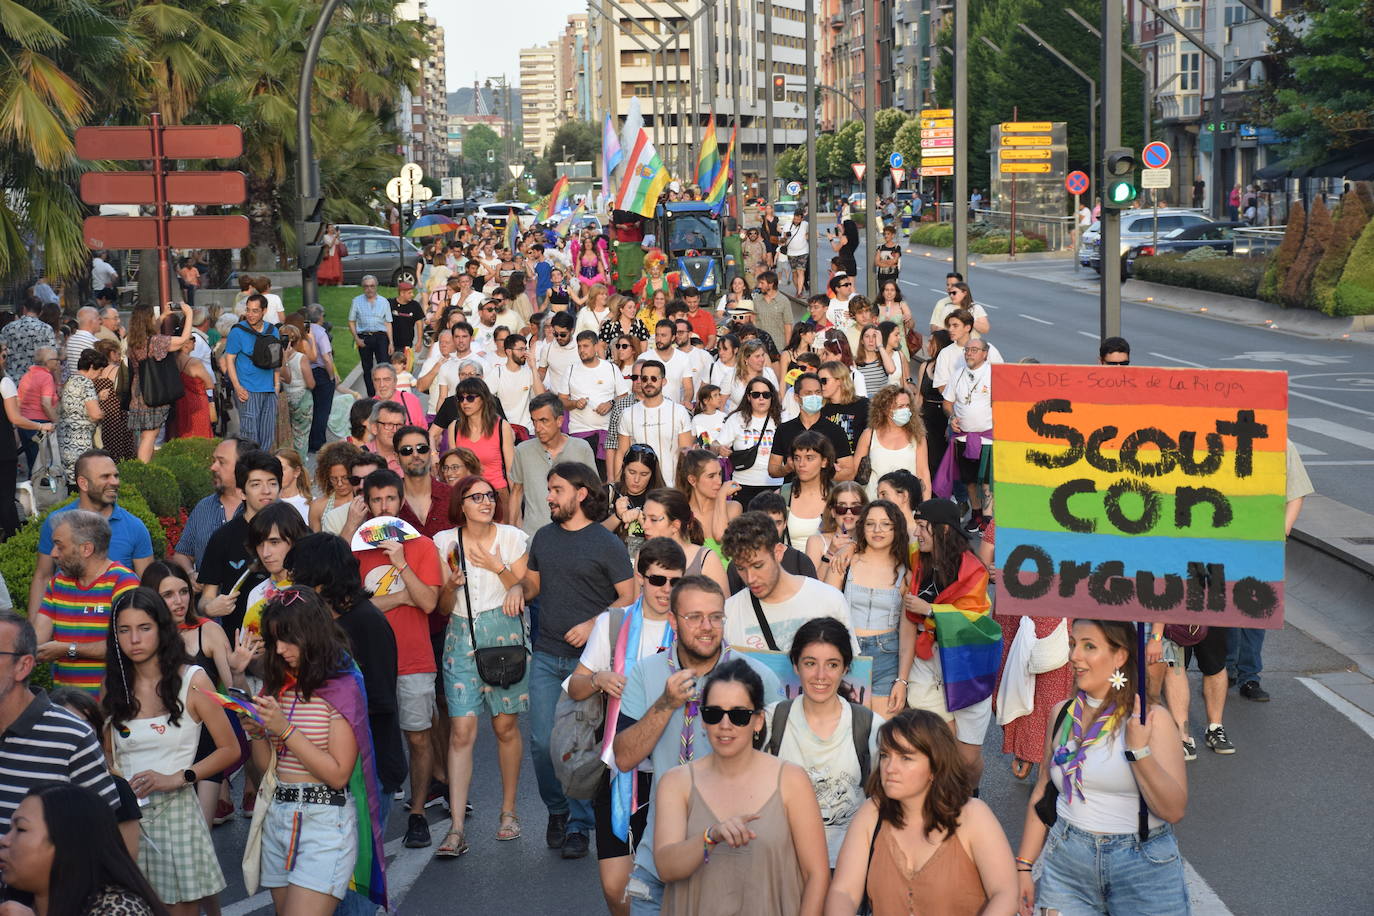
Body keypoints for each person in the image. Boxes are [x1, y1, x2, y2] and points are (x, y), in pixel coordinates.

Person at [612, 577, 785, 914]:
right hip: (660, 860)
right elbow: (624, 757)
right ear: (673, 621)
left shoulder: (758, 677)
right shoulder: (648, 673)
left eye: (716, 617)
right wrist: (665, 703)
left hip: (734, 862)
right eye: (694, 617)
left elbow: (778, 766)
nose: (707, 627)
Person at [1016, 619, 1189, 916]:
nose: (1074, 656)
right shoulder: (1062, 713)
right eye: (1073, 644)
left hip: (1142, 866)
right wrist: (1024, 866)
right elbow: (1042, 792)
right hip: (1067, 862)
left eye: (1089, 647)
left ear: (1120, 656)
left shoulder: (1152, 720)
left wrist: (1138, 751)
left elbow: (1174, 810)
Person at [514, 461, 635, 860]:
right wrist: (519, 586)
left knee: (580, 747)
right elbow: (534, 581)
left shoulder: (605, 543)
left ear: (581, 494)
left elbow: (628, 596)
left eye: (556, 490)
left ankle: (580, 825)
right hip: (548, 655)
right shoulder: (544, 537)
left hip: (590, 664)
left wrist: (592, 624)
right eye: (549, 490)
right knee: (542, 743)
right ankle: (558, 810)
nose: (549, 496)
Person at [562, 537, 684, 915]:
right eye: (658, 580)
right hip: (618, 770)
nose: (666, 590)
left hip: (674, 770)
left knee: (670, 884)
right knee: (616, 888)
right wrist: (599, 678)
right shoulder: (613, 623)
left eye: (675, 581)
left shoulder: (691, 627)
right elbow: (575, 687)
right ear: (640, 577)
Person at [248, 587, 387, 915]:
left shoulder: (342, 685)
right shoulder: (277, 683)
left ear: (312, 633)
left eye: (288, 639)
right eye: (274, 640)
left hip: (324, 823)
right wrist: (256, 733)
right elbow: (267, 767)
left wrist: (283, 729)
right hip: (278, 816)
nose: (280, 649)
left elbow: (338, 774)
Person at [652, 658, 829, 915]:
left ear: (758, 721)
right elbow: (666, 868)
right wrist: (710, 837)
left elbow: (816, 874)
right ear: (702, 720)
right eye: (714, 714)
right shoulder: (676, 782)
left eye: (738, 715)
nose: (725, 725)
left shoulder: (792, 780)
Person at [105, 586, 238, 915]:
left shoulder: (193, 680)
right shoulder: (111, 685)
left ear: (162, 630)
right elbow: (108, 759)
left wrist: (179, 777)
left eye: (144, 628)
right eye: (124, 630)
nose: (134, 639)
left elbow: (230, 749)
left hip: (175, 816)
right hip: (125, 821)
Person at [826, 709, 1018, 916]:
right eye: (884, 755)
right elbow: (843, 892)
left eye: (906, 758)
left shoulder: (974, 816)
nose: (890, 768)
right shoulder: (872, 813)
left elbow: (1005, 894)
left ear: (935, 767)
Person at [432, 474, 531, 858]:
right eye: (477, 497)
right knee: (461, 730)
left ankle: (508, 812)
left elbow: (527, 588)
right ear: (462, 504)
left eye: (489, 496)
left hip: (504, 633)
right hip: (460, 634)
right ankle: (456, 828)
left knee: (505, 726)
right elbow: (441, 609)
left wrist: (496, 566)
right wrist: (450, 587)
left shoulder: (510, 538)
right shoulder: (445, 543)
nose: (486, 502)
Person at [354, 469, 443, 849]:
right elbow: (347, 605)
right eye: (377, 500)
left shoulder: (422, 546)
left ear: (400, 501)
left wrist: (401, 563)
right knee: (365, 742)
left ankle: (418, 811)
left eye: (390, 499)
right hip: (367, 663)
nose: (384, 506)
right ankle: (371, 815)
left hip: (414, 659)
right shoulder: (356, 550)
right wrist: (399, 597)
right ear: (368, 503)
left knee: (419, 739)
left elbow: (427, 602)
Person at [286, 533, 406, 811]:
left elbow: (380, 700)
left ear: (320, 581)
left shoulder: (367, 624)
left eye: (298, 579)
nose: (294, 587)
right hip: (331, 767)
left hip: (368, 769)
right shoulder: (321, 622)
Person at [894, 499, 999, 789]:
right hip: (927, 661)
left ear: (942, 531)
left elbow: (974, 624)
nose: (917, 533)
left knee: (966, 760)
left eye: (924, 527)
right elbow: (880, 546)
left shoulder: (973, 571)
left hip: (967, 665)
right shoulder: (917, 558)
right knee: (941, 751)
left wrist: (930, 610)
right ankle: (945, 810)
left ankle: (971, 796)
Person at [764, 617, 884, 865]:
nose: (821, 675)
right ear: (796, 666)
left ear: (846, 668)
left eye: (832, 664)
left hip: (847, 867)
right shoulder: (771, 719)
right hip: (783, 866)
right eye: (810, 663)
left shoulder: (871, 727)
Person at [0, 784, 168, 916]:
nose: (5, 841)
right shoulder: (20, 902)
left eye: (21, 829)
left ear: (68, 841)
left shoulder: (120, 908)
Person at [33, 509, 141, 696]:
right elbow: (37, 638)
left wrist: (69, 649)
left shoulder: (123, 582)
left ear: (86, 549)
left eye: (60, 546)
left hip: (113, 706)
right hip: (66, 706)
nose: (53, 553)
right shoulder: (58, 583)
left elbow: (127, 644)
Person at [721, 512, 855, 656]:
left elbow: (854, 670)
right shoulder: (729, 612)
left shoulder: (830, 600)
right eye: (740, 568)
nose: (750, 578)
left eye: (758, 565)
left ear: (778, 552)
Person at [508, 393, 596, 536]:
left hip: (574, 536)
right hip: (533, 537)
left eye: (544, 421)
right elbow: (517, 492)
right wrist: (513, 533)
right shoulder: (522, 451)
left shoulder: (581, 449)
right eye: (534, 421)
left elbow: (592, 494)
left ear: (560, 421)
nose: (537, 428)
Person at [942, 337, 994, 530]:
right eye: (967, 350)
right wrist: (951, 417)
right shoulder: (958, 374)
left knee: (987, 481)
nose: (969, 353)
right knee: (969, 480)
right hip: (963, 436)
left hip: (987, 438)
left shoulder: (992, 374)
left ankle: (988, 520)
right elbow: (947, 403)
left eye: (974, 349)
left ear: (985, 353)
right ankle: (977, 514)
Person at [641, 487, 731, 597]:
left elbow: (723, 607)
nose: (645, 526)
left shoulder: (706, 559)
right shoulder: (643, 555)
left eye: (653, 519)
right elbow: (636, 607)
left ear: (675, 526)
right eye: (644, 518)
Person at [618, 361, 694, 488]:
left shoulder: (679, 412)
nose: (649, 383)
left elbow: (685, 453)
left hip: (672, 487)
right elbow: (622, 454)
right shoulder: (627, 413)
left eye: (654, 378)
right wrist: (618, 487)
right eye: (644, 378)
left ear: (663, 381)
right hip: (639, 489)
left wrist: (684, 487)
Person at [225, 294, 282, 450]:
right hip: (247, 390)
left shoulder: (272, 330)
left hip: (269, 390)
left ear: (264, 311)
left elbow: (276, 360)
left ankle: (262, 468)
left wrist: (276, 385)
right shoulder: (238, 331)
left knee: (267, 436)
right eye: (248, 310)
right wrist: (237, 387)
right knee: (250, 436)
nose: (250, 314)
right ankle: (249, 469)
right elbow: (229, 360)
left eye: (255, 311)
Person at [716, 375, 783, 509]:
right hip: (743, 485)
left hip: (775, 485)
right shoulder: (736, 418)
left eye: (766, 394)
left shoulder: (783, 419)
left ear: (772, 397)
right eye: (756, 394)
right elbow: (716, 444)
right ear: (748, 397)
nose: (761, 398)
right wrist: (719, 449)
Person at [855, 385, 930, 502]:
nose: (906, 410)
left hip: (907, 505)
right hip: (873, 504)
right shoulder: (869, 435)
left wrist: (925, 509)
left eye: (908, 406)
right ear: (885, 409)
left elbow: (923, 474)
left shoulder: (917, 437)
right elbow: (854, 471)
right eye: (900, 406)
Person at [603, 443, 664, 559]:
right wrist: (617, 516)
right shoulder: (608, 493)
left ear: (653, 474)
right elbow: (592, 537)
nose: (636, 480)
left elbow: (668, 543)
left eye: (644, 474)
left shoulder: (662, 499)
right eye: (631, 472)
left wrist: (644, 522)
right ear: (623, 468)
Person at [778, 430, 836, 548]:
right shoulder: (782, 495)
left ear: (824, 461)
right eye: (797, 458)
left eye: (809, 458)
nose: (801, 464)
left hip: (828, 564)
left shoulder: (839, 496)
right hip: (788, 564)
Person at [349, 276, 394, 398]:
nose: (369, 289)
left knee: (384, 365)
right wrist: (357, 339)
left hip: (381, 336)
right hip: (364, 337)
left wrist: (391, 342)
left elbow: (388, 322)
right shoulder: (356, 301)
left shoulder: (384, 301)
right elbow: (351, 321)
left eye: (372, 286)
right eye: (366, 286)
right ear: (363, 287)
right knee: (367, 367)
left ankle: (387, 393)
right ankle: (372, 396)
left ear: (376, 286)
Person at [0, 297, 56, 386]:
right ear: (41, 312)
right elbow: (52, 357)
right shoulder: (47, 329)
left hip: (13, 380)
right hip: (38, 381)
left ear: (24, 309)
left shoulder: (8, 328)